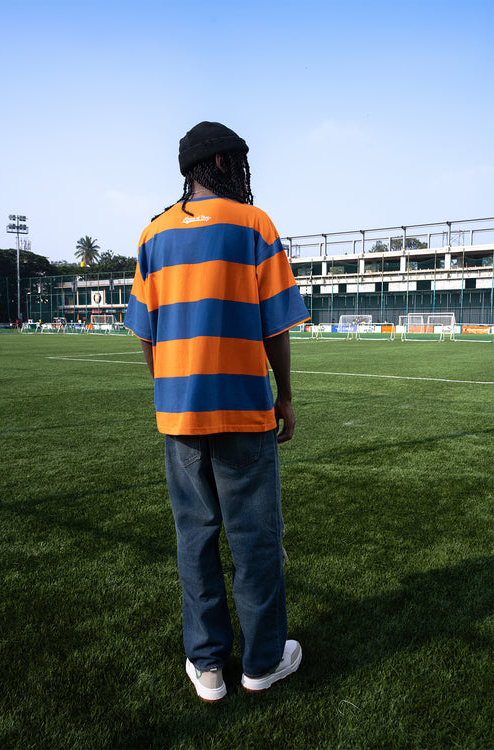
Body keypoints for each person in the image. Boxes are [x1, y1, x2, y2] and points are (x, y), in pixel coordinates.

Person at [124, 121, 309, 701]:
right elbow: (277, 323)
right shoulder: (255, 225)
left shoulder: (152, 235)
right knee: (255, 541)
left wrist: (170, 390)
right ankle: (260, 664)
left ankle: (206, 668)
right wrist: (284, 394)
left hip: (180, 415)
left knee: (195, 539)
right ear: (225, 165)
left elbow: (144, 332)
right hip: (244, 410)